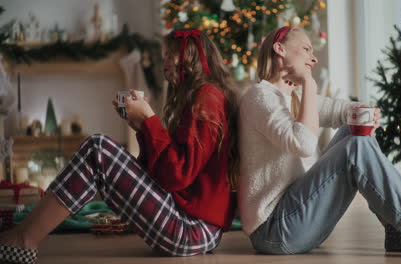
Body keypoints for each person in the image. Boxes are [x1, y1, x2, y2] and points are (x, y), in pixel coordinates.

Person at [0, 29, 239, 264]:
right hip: (189, 223)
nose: (164, 62)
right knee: (99, 150)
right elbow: (162, 171)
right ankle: (24, 233)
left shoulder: (207, 97)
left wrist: (150, 121)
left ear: (189, 58)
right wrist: (141, 127)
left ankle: (24, 240)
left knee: (98, 148)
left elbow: (176, 174)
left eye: (170, 55)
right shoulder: (202, 97)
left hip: (191, 229)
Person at [237, 26, 401, 260]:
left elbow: (341, 110)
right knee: (355, 147)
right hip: (275, 231)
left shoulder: (292, 97)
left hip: (297, 219)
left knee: (354, 130)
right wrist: (309, 83)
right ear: (280, 49)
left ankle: (394, 229)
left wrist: (365, 113)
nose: (313, 57)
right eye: (306, 48)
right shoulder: (260, 96)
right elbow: (303, 144)